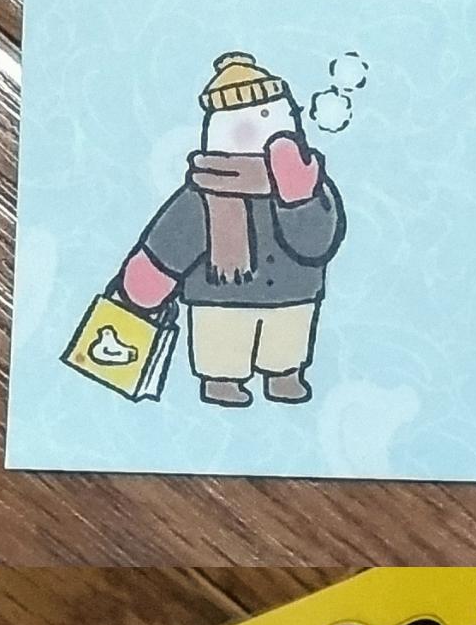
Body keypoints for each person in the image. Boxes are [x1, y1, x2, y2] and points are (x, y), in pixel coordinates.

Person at [107, 52, 345, 405]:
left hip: (293, 293)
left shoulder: (306, 184)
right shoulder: (203, 192)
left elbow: (315, 245)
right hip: (219, 297)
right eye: (242, 118)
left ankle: (284, 375)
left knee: (286, 342)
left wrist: (298, 198)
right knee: (222, 345)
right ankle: (220, 381)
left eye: (267, 115)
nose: (257, 128)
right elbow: (177, 235)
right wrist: (152, 274)